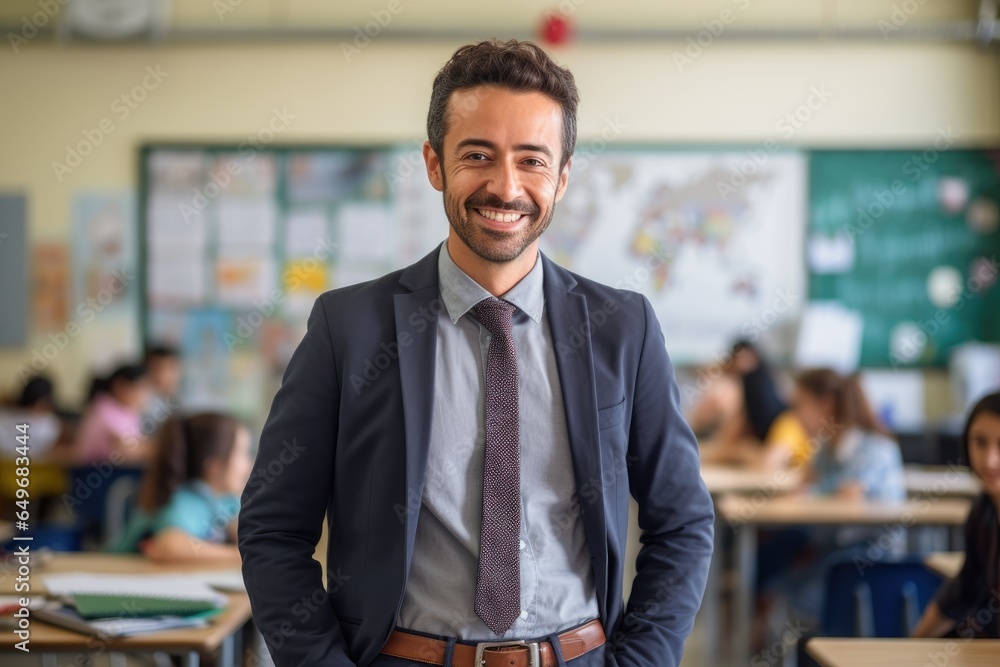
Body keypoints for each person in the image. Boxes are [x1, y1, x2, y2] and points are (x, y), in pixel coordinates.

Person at [239, 39, 714, 667]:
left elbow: (682, 522)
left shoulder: (622, 328)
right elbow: (273, 528)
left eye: (532, 160)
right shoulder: (348, 327)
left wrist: (641, 661)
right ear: (435, 164)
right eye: (478, 155)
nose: (505, 186)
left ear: (562, 178)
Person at [912, 391, 1000, 638]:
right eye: (980, 442)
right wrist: (914, 644)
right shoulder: (983, 512)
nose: (990, 460)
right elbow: (963, 592)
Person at [113, 413, 250, 563]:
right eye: (243, 453)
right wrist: (242, 555)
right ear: (214, 466)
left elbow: (244, 531)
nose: (249, 463)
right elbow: (169, 547)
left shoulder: (223, 499)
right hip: (114, 570)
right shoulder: (184, 500)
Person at [74, 364, 152, 465]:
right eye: (140, 388)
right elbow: (123, 447)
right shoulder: (103, 408)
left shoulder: (128, 411)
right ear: (120, 386)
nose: (144, 395)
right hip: (94, 469)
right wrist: (154, 448)